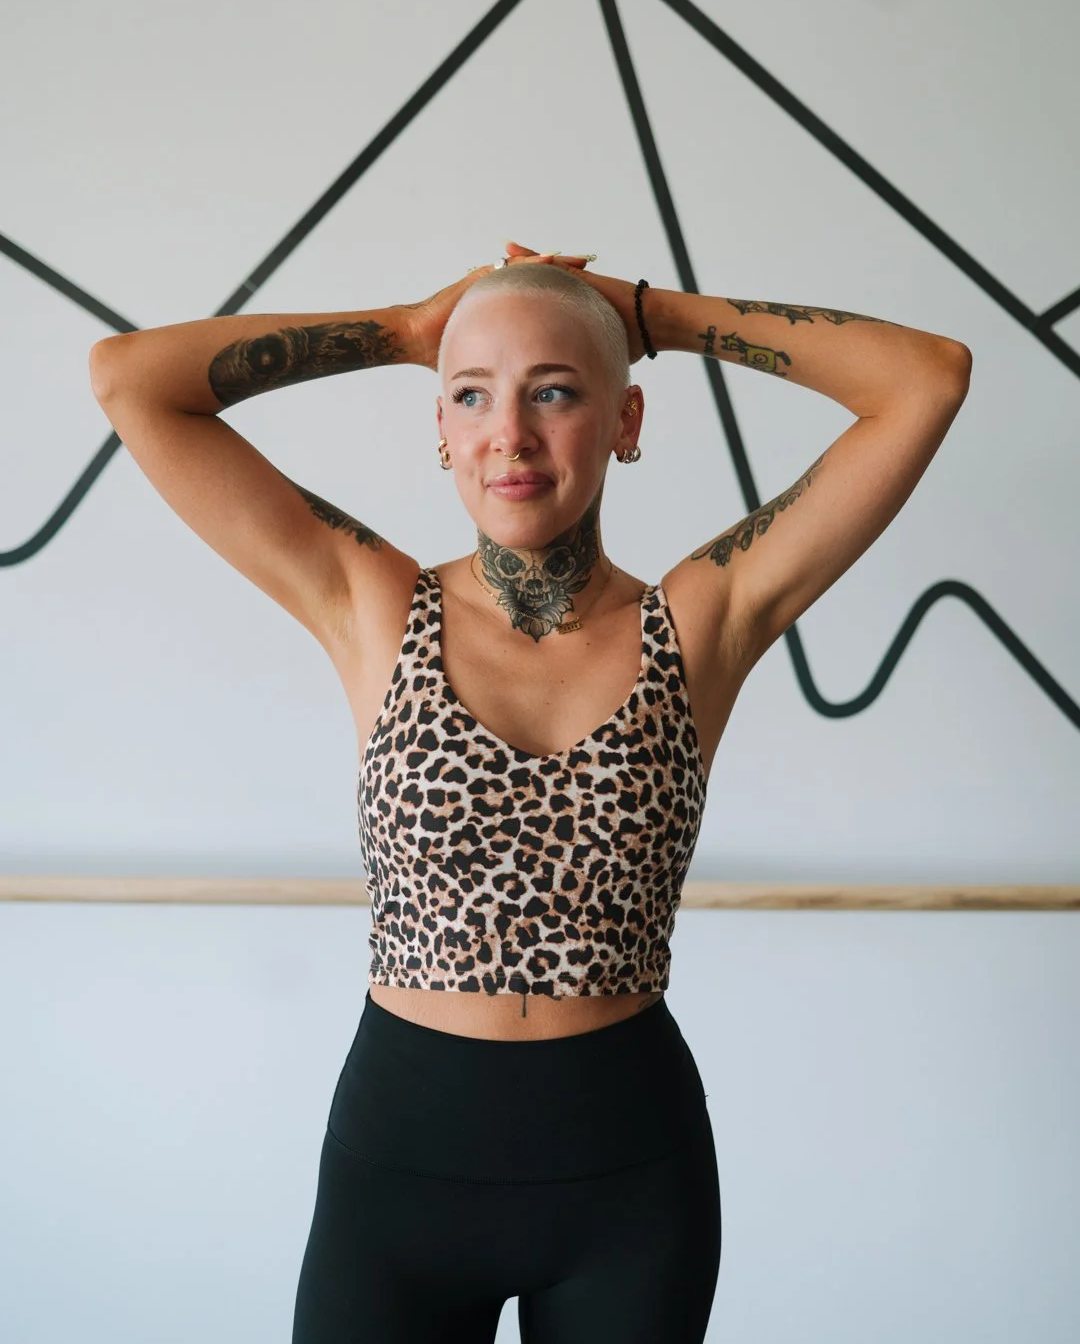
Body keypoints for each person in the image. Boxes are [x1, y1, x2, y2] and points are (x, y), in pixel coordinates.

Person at [89, 240, 971, 1341]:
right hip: (397, 1183)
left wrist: (645, 314)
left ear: (626, 419)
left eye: (555, 392)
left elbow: (925, 378)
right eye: (472, 395)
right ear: (441, 428)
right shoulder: (371, 603)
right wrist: (409, 329)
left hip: (630, 1187)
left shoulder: (702, 620)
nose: (509, 434)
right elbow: (130, 379)